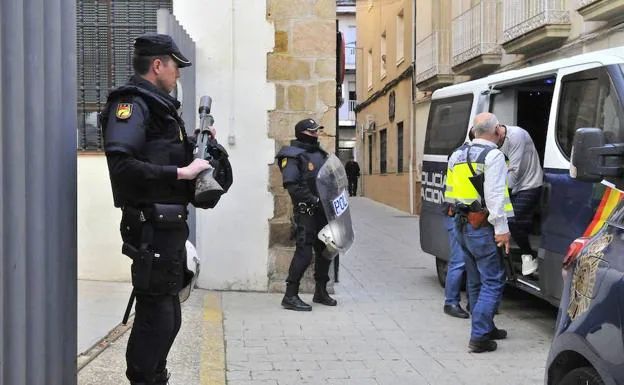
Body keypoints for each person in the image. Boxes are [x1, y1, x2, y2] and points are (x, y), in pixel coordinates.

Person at [101, 33, 216, 385]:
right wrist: (180, 172)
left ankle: (154, 378)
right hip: (149, 228)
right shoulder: (133, 105)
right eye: (175, 66)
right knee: (157, 319)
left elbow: (164, 159)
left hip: (168, 230)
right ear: (157, 65)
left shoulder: (160, 108)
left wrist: (201, 145)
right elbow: (122, 166)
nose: (178, 74)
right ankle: (143, 379)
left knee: (169, 317)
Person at [444, 112, 513, 353]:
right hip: (483, 227)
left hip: (462, 224)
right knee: (493, 281)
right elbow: (495, 196)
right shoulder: (493, 156)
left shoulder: (457, 154)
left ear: (474, 131)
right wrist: (502, 230)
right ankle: (480, 337)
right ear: (496, 132)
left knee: (474, 280)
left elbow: (450, 192)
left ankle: (486, 326)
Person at [276, 118, 337, 311]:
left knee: (326, 251)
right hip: (307, 212)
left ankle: (320, 291)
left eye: (317, 131)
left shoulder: (320, 154)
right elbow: (292, 185)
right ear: (302, 133)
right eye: (312, 131)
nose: (316, 134)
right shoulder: (292, 155)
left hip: (324, 211)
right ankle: (290, 295)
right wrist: (313, 200)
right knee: (304, 253)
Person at [499, 125, 543, 276]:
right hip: (511, 187)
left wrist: (502, 198)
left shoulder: (515, 135)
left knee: (511, 219)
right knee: (518, 224)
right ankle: (522, 259)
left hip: (529, 185)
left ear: (497, 130)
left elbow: (514, 171)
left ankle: (529, 255)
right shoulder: (492, 142)